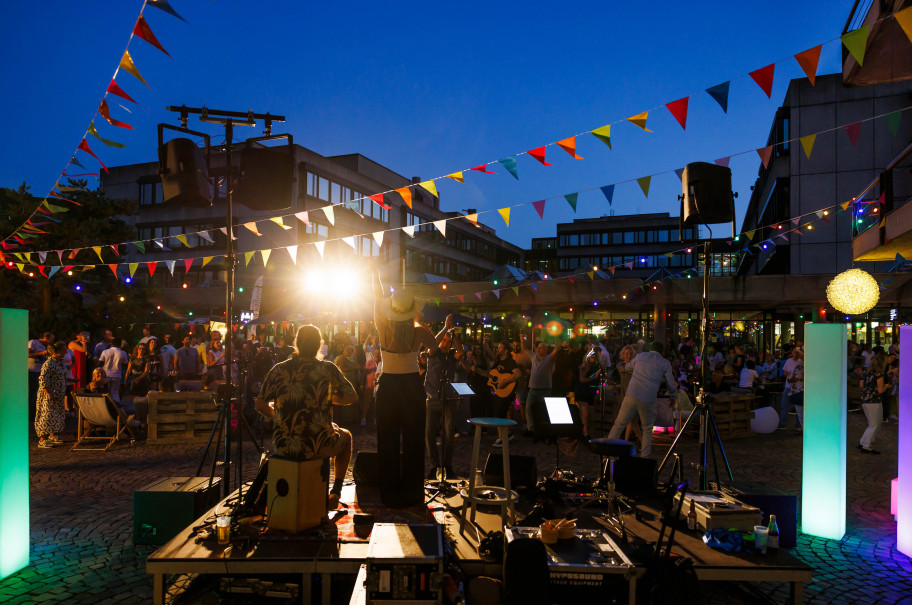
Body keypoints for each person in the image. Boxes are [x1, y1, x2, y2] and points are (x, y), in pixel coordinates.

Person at [256, 325, 358, 508]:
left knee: (331, 428)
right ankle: (335, 492)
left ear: (296, 343)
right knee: (346, 436)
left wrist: (279, 418)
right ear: (319, 345)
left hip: (283, 445)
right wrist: (328, 399)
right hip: (317, 444)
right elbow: (352, 396)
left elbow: (260, 404)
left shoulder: (279, 369)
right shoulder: (328, 369)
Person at [371, 266, 436, 507]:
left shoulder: (383, 325)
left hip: (388, 385)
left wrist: (374, 275)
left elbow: (377, 298)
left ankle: (389, 494)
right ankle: (412, 494)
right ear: (410, 311)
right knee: (414, 440)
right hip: (411, 386)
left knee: (386, 440)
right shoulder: (419, 331)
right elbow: (435, 349)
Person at [607, 342, 677, 457]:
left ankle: (608, 452)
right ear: (662, 352)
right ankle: (645, 456)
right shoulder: (665, 363)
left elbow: (628, 366)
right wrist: (673, 396)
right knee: (647, 429)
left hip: (632, 394)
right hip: (648, 398)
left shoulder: (640, 356)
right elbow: (671, 382)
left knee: (619, 424)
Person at [424, 314, 462, 479]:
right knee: (429, 433)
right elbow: (432, 342)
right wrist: (445, 329)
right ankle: (434, 465)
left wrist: (453, 334)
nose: (445, 342)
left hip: (448, 400)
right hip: (432, 398)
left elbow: (461, 351)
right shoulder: (433, 353)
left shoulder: (452, 355)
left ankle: (448, 465)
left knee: (448, 435)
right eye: (443, 340)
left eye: (448, 340)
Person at [488, 339, 522, 445]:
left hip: (506, 391)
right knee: (498, 413)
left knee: (499, 413)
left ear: (506, 350)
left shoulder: (510, 362)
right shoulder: (498, 362)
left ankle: (502, 437)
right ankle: (507, 434)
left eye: (500, 347)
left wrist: (505, 382)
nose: (498, 349)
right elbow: (491, 374)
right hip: (498, 392)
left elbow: (517, 374)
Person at [35, 342, 68, 448]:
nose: (66, 352)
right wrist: (48, 393)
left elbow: (59, 376)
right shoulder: (49, 363)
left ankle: (52, 435)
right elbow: (43, 379)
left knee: (56, 415)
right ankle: (42, 440)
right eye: (64, 350)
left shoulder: (59, 362)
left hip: (58, 394)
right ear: (58, 351)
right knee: (47, 415)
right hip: (49, 394)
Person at [858, 353, 888, 454]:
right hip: (874, 401)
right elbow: (880, 390)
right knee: (875, 425)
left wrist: (870, 388)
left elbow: (861, 386)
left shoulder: (865, 372)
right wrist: (887, 386)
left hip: (865, 400)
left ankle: (863, 442)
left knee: (871, 424)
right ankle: (867, 446)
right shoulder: (879, 374)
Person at [575, 347, 602, 439]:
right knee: (585, 414)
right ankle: (585, 434)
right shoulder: (585, 365)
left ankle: (588, 433)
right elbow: (582, 380)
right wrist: (594, 377)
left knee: (591, 415)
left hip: (590, 393)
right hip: (582, 392)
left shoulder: (597, 366)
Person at [778, 347, 804, 430]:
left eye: (797, 352)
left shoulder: (801, 363)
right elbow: (785, 372)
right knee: (784, 405)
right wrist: (789, 377)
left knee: (798, 408)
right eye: (794, 352)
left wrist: (790, 378)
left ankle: (798, 425)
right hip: (788, 386)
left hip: (798, 388)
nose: (796, 354)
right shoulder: (789, 361)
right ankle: (783, 423)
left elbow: (797, 377)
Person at [98, 338, 128, 403]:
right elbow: (125, 363)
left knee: (106, 392)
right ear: (120, 344)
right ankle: (117, 407)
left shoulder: (105, 352)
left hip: (106, 374)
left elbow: (100, 362)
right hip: (117, 375)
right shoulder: (123, 353)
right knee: (114, 392)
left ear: (112, 343)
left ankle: (107, 407)